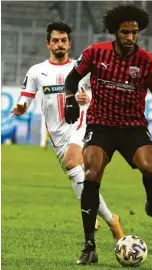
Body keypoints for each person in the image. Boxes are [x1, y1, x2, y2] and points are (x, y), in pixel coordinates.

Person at [63, 4, 152, 265]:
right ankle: (89, 245)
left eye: (134, 32)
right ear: (115, 32)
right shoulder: (96, 52)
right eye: (125, 32)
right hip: (101, 125)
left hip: (133, 126)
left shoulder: (147, 61)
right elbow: (72, 79)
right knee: (91, 173)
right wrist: (70, 98)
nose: (130, 38)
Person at [11, 21, 125, 245]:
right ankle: (112, 220)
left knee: (74, 164)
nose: (60, 44)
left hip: (81, 127)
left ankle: (95, 214)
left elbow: (99, 95)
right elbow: (25, 99)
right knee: (78, 176)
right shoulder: (37, 71)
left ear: (69, 43)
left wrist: (88, 99)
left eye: (63, 40)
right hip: (57, 135)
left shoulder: (80, 68)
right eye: (55, 40)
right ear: (48, 44)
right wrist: (21, 107)